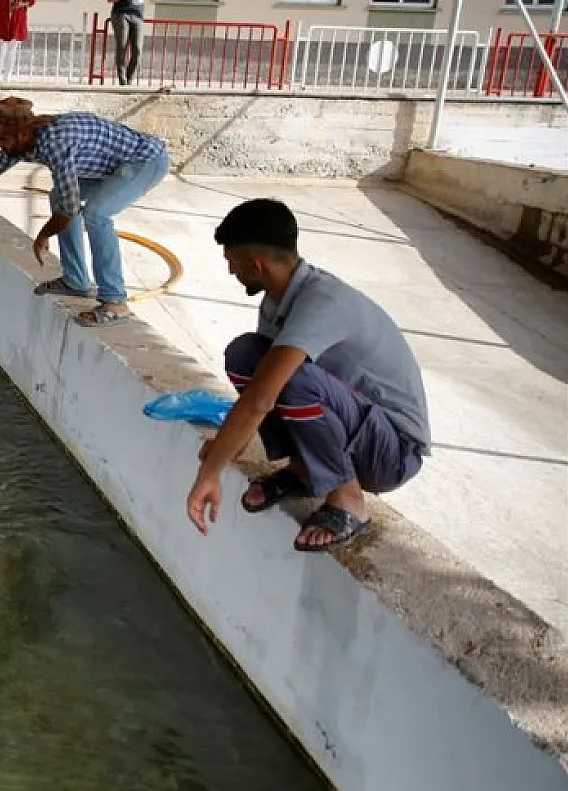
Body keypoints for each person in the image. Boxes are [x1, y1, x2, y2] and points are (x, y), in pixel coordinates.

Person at [184, 199, 431, 553]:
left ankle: (348, 501)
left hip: (392, 453)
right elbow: (260, 389)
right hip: (358, 429)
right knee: (246, 354)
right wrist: (230, 443)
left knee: (292, 378)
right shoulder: (278, 299)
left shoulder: (322, 303)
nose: (230, 272)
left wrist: (210, 474)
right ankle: (303, 470)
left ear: (256, 263)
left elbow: (263, 397)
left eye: (232, 263)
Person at [0, 96, 169, 327]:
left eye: (2, 138)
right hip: (111, 166)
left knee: (96, 215)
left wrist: (43, 235)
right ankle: (76, 281)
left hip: (144, 161)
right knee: (59, 195)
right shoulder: (21, 144)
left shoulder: (56, 142)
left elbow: (69, 209)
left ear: (21, 133)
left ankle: (116, 302)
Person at [105, 0, 149, 85]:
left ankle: (130, 78)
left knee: (137, 49)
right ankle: (122, 80)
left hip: (137, 14)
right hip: (120, 12)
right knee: (122, 46)